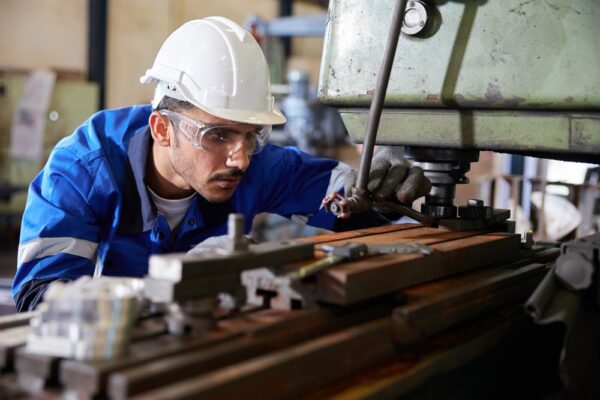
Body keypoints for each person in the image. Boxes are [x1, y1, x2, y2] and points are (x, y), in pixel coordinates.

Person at [12, 17, 430, 312]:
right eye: (218, 135)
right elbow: (41, 298)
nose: (241, 157)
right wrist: (174, 282)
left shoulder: (257, 164)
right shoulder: (83, 170)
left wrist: (382, 185)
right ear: (161, 128)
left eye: (251, 135)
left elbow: (353, 203)